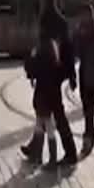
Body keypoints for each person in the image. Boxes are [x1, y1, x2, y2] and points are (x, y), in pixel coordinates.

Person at [20, 0, 78, 166]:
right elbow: (67, 51)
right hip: (54, 74)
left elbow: (42, 50)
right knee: (45, 113)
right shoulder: (60, 21)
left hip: (48, 74)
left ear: (46, 0)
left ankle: (68, 152)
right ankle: (36, 148)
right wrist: (71, 74)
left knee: (53, 114)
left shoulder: (46, 21)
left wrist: (31, 70)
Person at [24, 35, 64, 168]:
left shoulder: (41, 49)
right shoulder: (53, 47)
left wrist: (31, 56)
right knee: (41, 123)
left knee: (46, 124)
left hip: (42, 92)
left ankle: (48, 159)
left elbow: (31, 68)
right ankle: (39, 156)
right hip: (51, 92)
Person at [74, 3, 94, 154]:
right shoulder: (82, 30)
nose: (84, 17)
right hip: (86, 72)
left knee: (89, 106)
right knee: (87, 106)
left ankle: (88, 137)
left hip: (92, 72)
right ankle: (91, 131)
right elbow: (77, 51)